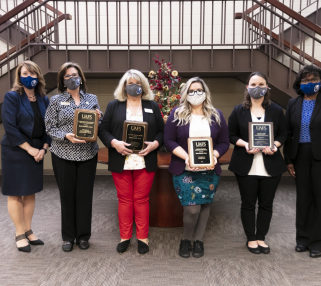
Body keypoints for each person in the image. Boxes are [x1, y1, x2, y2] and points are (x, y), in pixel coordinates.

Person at [98, 69, 164, 255]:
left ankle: (143, 237)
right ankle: (125, 236)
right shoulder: (114, 105)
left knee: (141, 200)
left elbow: (161, 130)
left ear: (143, 86)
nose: (134, 86)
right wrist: (114, 143)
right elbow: (103, 129)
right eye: (130, 83)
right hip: (121, 159)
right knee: (125, 200)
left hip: (145, 159)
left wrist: (155, 144)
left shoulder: (152, 105)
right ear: (124, 86)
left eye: (137, 83)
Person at [164, 77, 229, 258]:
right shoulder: (177, 114)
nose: (195, 94)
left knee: (205, 205)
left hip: (209, 171)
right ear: (186, 93)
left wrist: (214, 155)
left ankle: (198, 240)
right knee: (192, 208)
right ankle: (186, 239)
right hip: (184, 169)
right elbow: (168, 140)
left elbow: (224, 142)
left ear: (205, 92)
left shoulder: (216, 115)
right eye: (191, 91)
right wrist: (187, 158)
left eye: (199, 90)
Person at [284, 65, 321, 258]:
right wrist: (289, 160)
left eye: (313, 79)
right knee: (303, 200)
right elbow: (288, 134)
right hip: (299, 155)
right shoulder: (293, 103)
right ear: (299, 84)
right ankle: (302, 239)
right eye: (305, 80)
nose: (310, 83)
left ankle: (319, 242)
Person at [44, 62, 102, 252]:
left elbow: (98, 124)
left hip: (87, 154)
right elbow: (50, 127)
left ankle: (84, 236)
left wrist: (99, 117)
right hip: (63, 154)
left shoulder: (92, 98)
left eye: (75, 75)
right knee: (67, 196)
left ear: (81, 77)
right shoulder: (55, 101)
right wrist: (66, 136)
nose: (71, 78)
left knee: (85, 196)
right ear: (62, 80)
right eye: (67, 76)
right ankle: (68, 237)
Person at [228, 72, 287, 255]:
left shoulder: (276, 110)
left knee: (266, 204)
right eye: (253, 84)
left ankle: (261, 237)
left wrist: (275, 146)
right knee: (247, 203)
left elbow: (283, 134)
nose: (257, 87)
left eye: (261, 84)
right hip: (246, 164)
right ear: (247, 87)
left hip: (270, 164)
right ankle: (251, 238)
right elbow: (231, 135)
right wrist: (245, 144)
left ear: (267, 87)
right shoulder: (239, 110)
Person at [1, 60, 51, 252]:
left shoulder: (43, 98)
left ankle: (29, 230)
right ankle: (19, 233)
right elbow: (10, 127)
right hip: (16, 150)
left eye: (32, 74)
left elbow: (49, 126)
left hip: (37, 151)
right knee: (15, 193)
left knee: (30, 192)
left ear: (38, 76)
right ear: (19, 77)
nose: (29, 77)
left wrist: (44, 148)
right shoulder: (12, 97)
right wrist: (30, 149)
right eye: (25, 74)